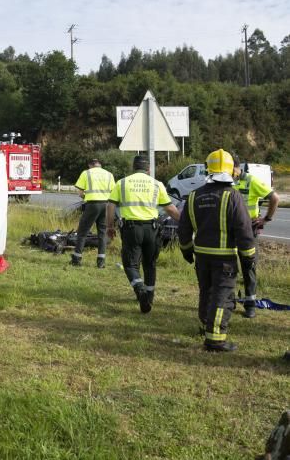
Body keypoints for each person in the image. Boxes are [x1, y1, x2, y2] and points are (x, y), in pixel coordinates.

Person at [178, 149, 256, 352]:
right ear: (231, 171)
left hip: (201, 257)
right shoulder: (233, 196)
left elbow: (183, 229)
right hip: (225, 259)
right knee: (223, 296)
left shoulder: (193, 196)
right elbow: (244, 231)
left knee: (206, 292)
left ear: (208, 169)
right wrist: (248, 258)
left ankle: (205, 326)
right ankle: (215, 339)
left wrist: (187, 251)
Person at [106, 154, 180, 313]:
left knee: (130, 264)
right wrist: (187, 222)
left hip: (131, 229)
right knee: (150, 264)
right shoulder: (157, 184)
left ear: (133, 168)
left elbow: (110, 207)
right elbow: (170, 209)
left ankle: (140, 291)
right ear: (148, 169)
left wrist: (110, 227)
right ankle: (149, 297)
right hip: (152, 230)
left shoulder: (122, 183)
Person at [232, 156, 280, 318]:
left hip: (248, 231)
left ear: (235, 167)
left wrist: (266, 219)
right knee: (228, 266)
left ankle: (250, 305)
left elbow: (274, 198)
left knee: (249, 266)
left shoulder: (251, 180)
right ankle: (229, 301)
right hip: (230, 230)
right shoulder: (228, 182)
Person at [71, 159, 115, 268]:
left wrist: (86, 197)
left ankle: (76, 259)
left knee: (82, 232)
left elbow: (80, 192)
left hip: (92, 205)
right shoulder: (109, 174)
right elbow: (113, 192)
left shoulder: (86, 173)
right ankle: (101, 262)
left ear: (90, 165)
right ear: (100, 165)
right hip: (106, 205)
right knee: (102, 233)